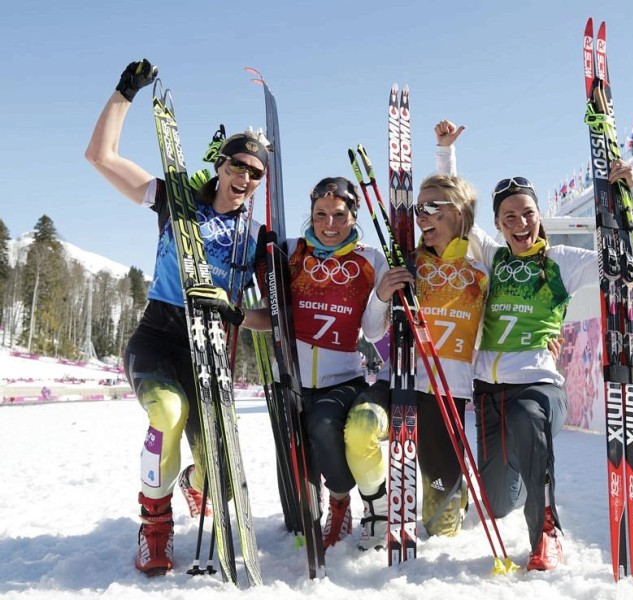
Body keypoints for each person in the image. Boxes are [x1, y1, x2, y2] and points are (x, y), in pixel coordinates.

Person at [436, 120, 633, 571]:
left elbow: (631, 263)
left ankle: (546, 534)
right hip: (489, 390)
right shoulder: (491, 255)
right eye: (509, 216)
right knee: (495, 504)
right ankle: (524, 483)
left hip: (538, 385)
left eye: (528, 213)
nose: (520, 223)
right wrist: (445, 153)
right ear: (496, 222)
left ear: (539, 215)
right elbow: (454, 214)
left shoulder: (560, 262)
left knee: (526, 419)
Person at [85, 59, 270, 576]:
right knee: (166, 414)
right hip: (160, 337)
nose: (244, 178)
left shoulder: (253, 240)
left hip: (210, 351)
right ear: (221, 165)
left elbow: (273, 319)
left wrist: (235, 312)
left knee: (221, 483)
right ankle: (155, 525)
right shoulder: (176, 202)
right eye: (237, 166)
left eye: (255, 174)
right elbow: (101, 157)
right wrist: (125, 93)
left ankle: (194, 481)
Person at [344, 133, 489, 550]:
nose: (420, 215)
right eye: (416, 208)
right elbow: (372, 332)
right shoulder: (407, 257)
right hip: (403, 382)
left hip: (450, 391)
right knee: (361, 426)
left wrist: (446, 156)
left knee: (442, 527)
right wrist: (382, 294)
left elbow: (457, 195)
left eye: (430, 209)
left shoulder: (481, 258)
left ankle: (452, 498)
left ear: (458, 214)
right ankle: (377, 506)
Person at [280, 176, 406, 550]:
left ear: (354, 215)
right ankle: (308, 505)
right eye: (321, 215)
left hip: (343, 376)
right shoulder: (291, 252)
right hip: (294, 376)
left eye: (339, 215)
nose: (329, 225)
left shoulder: (370, 259)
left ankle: (340, 502)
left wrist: (382, 294)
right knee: (298, 447)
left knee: (323, 425)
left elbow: (370, 328)